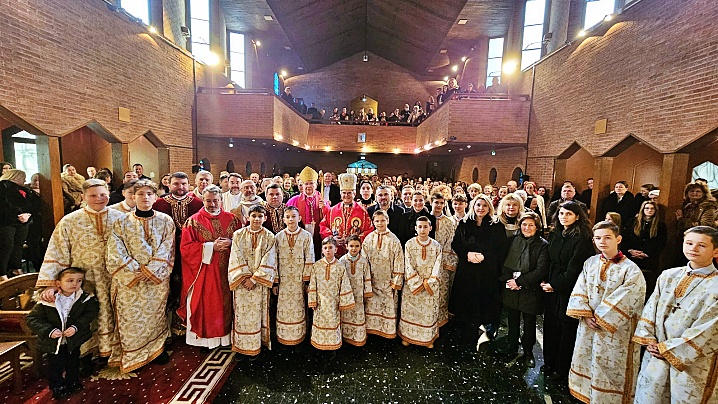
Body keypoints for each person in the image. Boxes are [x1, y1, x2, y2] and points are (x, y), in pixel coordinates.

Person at [37, 179, 125, 373]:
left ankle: (113, 352)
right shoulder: (70, 221)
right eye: (93, 195)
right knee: (86, 318)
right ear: (84, 197)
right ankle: (87, 356)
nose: (99, 199)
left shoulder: (121, 218)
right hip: (84, 282)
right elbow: (57, 251)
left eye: (103, 194)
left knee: (114, 315)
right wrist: (52, 283)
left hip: (115, 279)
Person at [632, 226, 718, 403]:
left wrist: (668, 349)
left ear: (715, 250)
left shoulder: (715, 285)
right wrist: (649, 339)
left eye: (701, 245)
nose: (693, 248)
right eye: (689, 243)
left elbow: (710, 328)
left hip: (690, 361)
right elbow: (651, 308)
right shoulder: (668, 275)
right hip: (655, 352)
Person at [566, 221, 645, 403]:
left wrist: (600, 317)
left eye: (607, 237)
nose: (602, 242)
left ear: (618, 239)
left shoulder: (630, 269)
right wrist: (585, 314)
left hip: (615, 329)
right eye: (598, 238)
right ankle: (585, 393)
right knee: (587, 359)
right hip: (588, 324)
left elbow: (629, 298)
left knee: (610, 366)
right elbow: (581, 288)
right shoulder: (590, 262)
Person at [106, 180, 175, 373]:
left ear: (155, 197)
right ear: (133, 197)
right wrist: (135, 270)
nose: (145, 197)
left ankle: (156, 349)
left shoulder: (165, 220)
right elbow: (115, 249)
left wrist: (151, 270)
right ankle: (131, 353)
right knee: (130, 317)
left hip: (156, 280)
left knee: (155, 315)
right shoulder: (121, 221)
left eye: (149, 194)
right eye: (140, 194)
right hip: (130, 280)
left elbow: (167, 248)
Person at [178, 185, 241, 350]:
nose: (212, 204)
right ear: (203, 200)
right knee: (209, 304)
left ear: (221, 200)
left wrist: (231, 243)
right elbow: (186, 248)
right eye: (208, 200)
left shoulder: (233, 219)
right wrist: (211, 247)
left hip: (229, 270)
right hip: (205, 273)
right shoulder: (193, 221)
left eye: (215, 200)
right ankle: (206, 341)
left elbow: (244, 241)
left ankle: (226, 338)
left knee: (228, 303)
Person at [540, 201, 595, 380]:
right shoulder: (556, 233)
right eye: (562, 213)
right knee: (550, 325)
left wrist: (555, 285)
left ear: (577, 216)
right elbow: (548, 258)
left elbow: (574, 268)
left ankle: (562, 369)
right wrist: (546, 281)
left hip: (569, 287)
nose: (564, 217)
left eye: (569, 214)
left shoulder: (582, 238)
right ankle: (549, 362)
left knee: (565, 329)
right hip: (552, 283)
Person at [27, 267, 99, 399]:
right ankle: (57, 387)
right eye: (70, 280)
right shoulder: (48, 301)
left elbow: (90, 314)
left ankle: (73, 382)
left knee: (74, 362)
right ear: (58, 283)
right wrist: (49, 330)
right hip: (54, 341)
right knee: (55, 365)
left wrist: (76, 327)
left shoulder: (83, 298)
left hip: (73, 339)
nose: (74, 284)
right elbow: (32, 319)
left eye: (79, 281)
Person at [451, 194, 506, 347]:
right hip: (467, 268)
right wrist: (466, 254)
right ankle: (466, 325)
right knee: (467, 297)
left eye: (484, 205)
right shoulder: (464, 223)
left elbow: (500, 248)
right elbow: (456, 244)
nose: (481, 208)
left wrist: (485, 256)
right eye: (478, 205)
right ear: (473, 206)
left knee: (484, 298)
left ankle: (484, 323)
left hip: (486, 269)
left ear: (489, 208)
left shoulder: (496, 225)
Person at [152, 172, 203, 336]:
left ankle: (188, 320)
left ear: (189, 186)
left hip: (191, 254)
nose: (180, 187)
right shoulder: (158, 204)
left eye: (183, 184)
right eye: (176, 184)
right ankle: (167, 325)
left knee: (188, 285)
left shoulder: (198, 203)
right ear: (169, 184)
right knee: (169, 286)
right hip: (165, 253)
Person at [497, 212, 549, 367]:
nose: (527, 228)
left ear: (537, 227)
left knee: (529, 322)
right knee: (512, 318)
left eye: (531, 225)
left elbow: (541, 269)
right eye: (524, 224)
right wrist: (508, 279)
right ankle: (511, 346)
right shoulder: (513, 240)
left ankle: (528, 352)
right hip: (511, 285)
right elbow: (503, 261)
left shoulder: (542, 245)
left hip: (529, 289)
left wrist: (519, 282)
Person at [227, 205, 277, 358]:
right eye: (253, 216)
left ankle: (257, 345)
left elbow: (270, 259)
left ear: (265, 218)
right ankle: (242, 346)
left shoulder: (270, 236)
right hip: (242, 283)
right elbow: (235, 256)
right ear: (248, 217)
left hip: (259, 283)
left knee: (259, 314)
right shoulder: (238, 235)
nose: (256, 219)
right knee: (241, 314)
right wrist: (245, 277)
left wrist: (254, 279)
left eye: (260, 216)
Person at [398, 216, 442, 348]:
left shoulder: (436, 246)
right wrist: (417, 281)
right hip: (413, 286)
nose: (422, 230)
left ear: (430, 228)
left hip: (430, 286)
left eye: (425, 226)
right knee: (410, 312)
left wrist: (430, 281)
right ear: (415, 228)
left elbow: (438, 265)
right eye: (420, 227)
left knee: (428, 312)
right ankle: (408, 337)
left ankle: (428, 338)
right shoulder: (409, 244)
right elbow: (407, 264)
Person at [275, 206, 315, 346]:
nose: (291, 219)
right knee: (283, 308)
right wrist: (275, 281)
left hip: (299, 280)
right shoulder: (278, 237)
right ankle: (283, 337)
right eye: (288, 217)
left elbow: (310, 257)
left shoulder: (306, 236)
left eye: (293, 216)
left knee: (299, 306)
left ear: (299, 218)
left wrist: (307, 281)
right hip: (284, 280)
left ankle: (300, 337)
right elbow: (274, 259)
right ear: (284, 219)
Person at [307, 237, 355, 351]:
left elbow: (344, 285)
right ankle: (319, 345)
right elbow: (313, 284)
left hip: (334, 302)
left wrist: (343, 302)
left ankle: (333, 347)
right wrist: (313, 300)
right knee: (319, 322)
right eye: (325, 248)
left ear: (336, 249)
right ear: (322, 250)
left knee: (333, 322)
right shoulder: (316, 266)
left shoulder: (340, 266)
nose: (328, 250)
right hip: (320, 303)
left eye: (330, 248)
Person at [362, 210, 404, 339]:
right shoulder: (369, 238)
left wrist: (396, 281)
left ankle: (387, 331)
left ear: (388, 221)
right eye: (377, 221)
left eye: (382, 220)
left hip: (387, 281)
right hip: (372, 280)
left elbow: (399, 261)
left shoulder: (394, 240)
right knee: (371, 305)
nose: (380, 223)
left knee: (387, 306)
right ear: (373, 222)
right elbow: (364, 259)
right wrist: (365, 278)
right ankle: (372, 330)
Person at [621, 201, 668, 298]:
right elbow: (625, 239)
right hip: (631, 257)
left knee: (647, 285)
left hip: (649, 259)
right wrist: (630, 250)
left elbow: (661, 243)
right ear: (643, 210)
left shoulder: (661, 225)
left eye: (652, 208)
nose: (649, 210)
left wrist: (647, 253)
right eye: (647, 208)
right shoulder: (633, 222)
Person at [319, 173, 373, 257]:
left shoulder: (362, 212)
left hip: (354, 253)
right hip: (336, 252)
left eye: (349, 193)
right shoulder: (332, 210)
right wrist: (332, 239)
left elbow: (369, 230)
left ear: (354, 194)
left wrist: (355, 241)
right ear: (340, 194)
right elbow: (323, 226)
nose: (346, 195)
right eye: (344, 193)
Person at [0, 169, 39, 277]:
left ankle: (16, 267)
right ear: (16, 177)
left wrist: (29, 214)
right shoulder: (3, 186)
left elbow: (32, 204)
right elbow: (3, 203)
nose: (25, 180)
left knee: (18, 245)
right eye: (23, 177)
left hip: (23, 221)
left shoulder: (25, 190)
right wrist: (17, 214)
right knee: (6, 246)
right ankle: (2, 272)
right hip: (7, 221)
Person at [287, 167, 329, 259]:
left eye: (311, 183)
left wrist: (324, 208)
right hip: (301, 233)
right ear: (302, 185)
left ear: (316, 185)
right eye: (306, 184)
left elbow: (329, 219)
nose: (309, 186)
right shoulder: (293, 201)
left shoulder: (323, 201)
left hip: (318, 233)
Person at [429, 193, 458, 327]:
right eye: (436, 202)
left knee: (441, 291)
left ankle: (439, 321)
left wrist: (444, 260)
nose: (439, 205)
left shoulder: (449, 222)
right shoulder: (425, 219)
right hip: (425, 262)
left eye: (442, 203)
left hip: (442, 263)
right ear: (431, 203)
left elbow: (451, 242)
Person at [338, 235, 372, 347]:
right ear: (346, 246)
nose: (354, 249)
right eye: (351, 246)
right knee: (346, 315)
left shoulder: (363, 261)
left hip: (359, 294)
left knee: (358, 314)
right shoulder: (342, 261)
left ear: (360, 247)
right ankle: (345, 337)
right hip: (346, 295)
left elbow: (367, 277)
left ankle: (358, 338)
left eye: (356, 246)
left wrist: (367, 292)